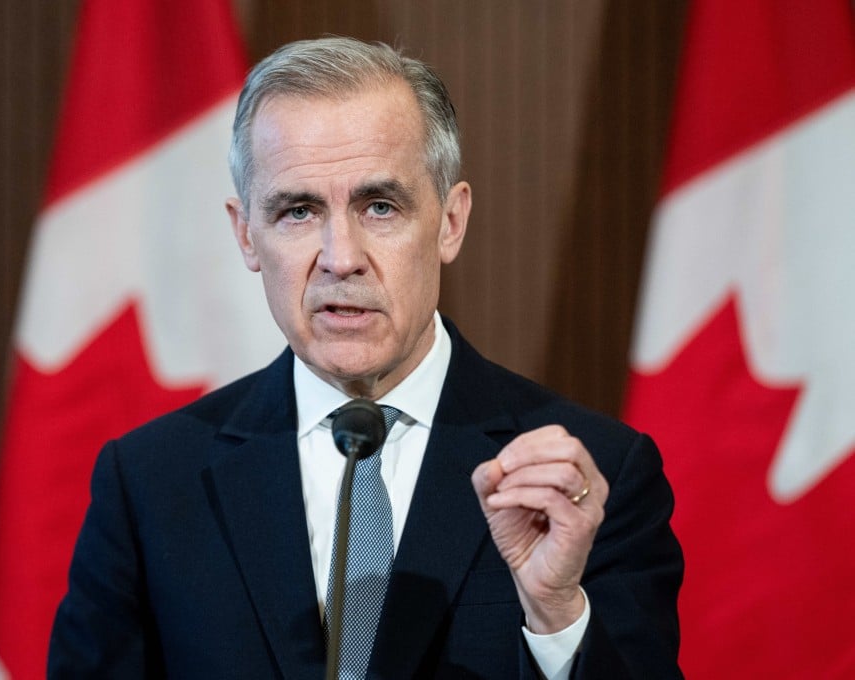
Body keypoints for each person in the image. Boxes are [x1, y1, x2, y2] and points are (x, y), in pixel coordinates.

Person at [48, 36, 683, 679]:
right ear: (246, 235)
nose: (341, 257)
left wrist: (556, 615)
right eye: (299, 211)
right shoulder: (151, 484)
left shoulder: (592, 479)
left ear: (450, 221)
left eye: (380, 207)